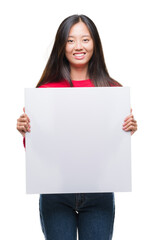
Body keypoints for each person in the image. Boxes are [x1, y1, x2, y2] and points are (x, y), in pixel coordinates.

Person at [16, 14, 137, 240]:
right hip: (56, 193)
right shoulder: (45, 91)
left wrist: (127, 129)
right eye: (70, 40)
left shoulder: (112, 90)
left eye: (85, 39)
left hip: (99, 193)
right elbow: (39, 152)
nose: (78, 46)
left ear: (95, 44)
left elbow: (113, 149)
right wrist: (26, 132)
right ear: (61, 46)